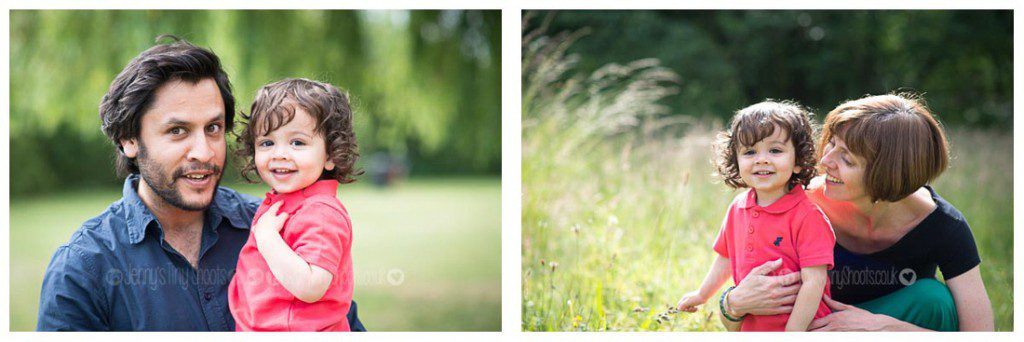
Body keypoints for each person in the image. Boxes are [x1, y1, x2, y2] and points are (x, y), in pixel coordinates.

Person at [36, 36, 364, 331]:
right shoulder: (82, 269)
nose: (204, 152)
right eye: (177, 131)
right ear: (128, 140)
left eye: (213, 128)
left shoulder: (274, 225)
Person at [717, 94, 994, 331]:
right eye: (831, 144)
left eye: (846, 158)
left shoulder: (944, 227)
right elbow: (740, 322)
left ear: (887, 174)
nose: (825, 161)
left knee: (934, 299)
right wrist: (733, 303)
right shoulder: (797, 204)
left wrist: (886, 328)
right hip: (808, 329)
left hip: (887, 327)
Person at [675, 101, 835, 331]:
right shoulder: (737, 208)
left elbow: (814, 281)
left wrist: (794, 332)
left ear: (798, 161)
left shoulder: (808, 216)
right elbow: (726, 258)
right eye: (750, 152)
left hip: (803, 327)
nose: (761, 159)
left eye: (775, 150)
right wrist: (701, 294)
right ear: (736, 160)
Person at [228, 78, 361, 331]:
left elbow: (311, 286)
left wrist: (267, 238)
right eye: (267, 143)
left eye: (297, 142)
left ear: (331, 155)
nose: (279, 153)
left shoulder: (321, 212)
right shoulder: (286, 201)